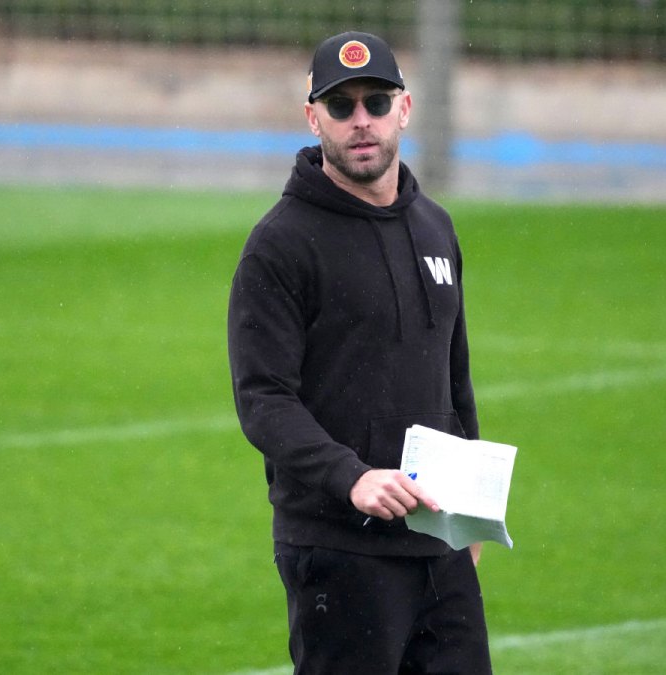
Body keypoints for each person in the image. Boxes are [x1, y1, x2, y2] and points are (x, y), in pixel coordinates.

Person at [227, 30, 493, 674]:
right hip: (338, 551)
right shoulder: (281, 245)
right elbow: (263, 399)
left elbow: (453, 380)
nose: (360, 121)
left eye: (375, 102)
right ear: (312, 117)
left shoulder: (435, 226)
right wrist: (352, 478)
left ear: (404, 108)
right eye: (340, 106)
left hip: (438, 545)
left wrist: (474, 510)